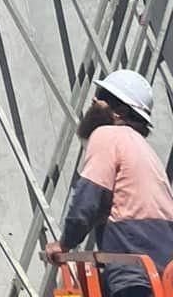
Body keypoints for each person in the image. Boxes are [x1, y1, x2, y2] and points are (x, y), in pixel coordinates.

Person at [45, 69, 173, 297]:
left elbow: (88, 199)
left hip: (134, 273)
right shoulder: (145, 150)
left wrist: (64, 245)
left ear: (120, 111)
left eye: (102, 95)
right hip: (163, 272)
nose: (94, 100)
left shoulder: (107, 135)